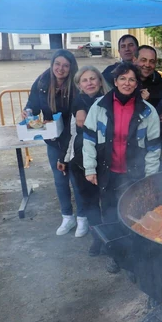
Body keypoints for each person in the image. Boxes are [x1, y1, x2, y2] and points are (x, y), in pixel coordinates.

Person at [83, 62, 160, 273]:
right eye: (123, 79)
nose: (127, 83)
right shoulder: (99, 106)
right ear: (115, 81)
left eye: (132, 79)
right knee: (109, 214)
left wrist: (150, 177)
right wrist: (90, 168)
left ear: (137, 84)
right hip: (108, 173)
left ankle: (138, 256)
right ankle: (117, 257)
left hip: (134, 173)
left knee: (135, 214)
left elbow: (153, 147)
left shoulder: (147, 111)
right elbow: (88, 138)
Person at [22, 50, 81, 236]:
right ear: (52, 64)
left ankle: (83, 218)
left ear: (71, 67)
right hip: (53, 139)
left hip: (74, 139)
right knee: (59, 179)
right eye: (57, 64)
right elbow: (33, 104)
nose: (60, 69)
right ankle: (67, 217)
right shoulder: (42, 82)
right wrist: (28, 110)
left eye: (65, 65)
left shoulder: (77, 84)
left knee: (77, 179)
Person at [64, 66, 109, 252]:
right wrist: (64, 157)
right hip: (82, 162)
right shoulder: (77, 103)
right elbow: (72, 133)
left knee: (108, 202)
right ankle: (97, 239)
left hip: (106, 161)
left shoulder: (110, 101)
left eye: (93, 78)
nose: (89, 82)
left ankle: (112, 238)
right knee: (90, 203)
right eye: (85, 80)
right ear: (79, 85)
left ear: (100, 81)